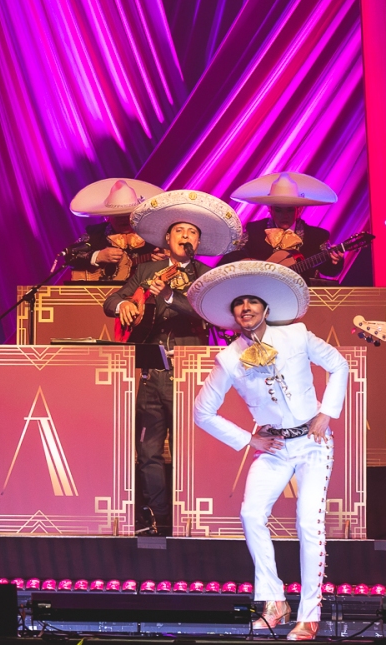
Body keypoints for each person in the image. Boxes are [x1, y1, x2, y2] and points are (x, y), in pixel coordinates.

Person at [189, 260, 348, 642]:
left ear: (266, 308)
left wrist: (327, 413)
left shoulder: (296, 334)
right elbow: (201, 412)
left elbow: (338, 364)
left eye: (252, 302)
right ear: (232, 314)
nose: (245, 308)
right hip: (273, 447)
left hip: (311, 443)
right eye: (238, 304)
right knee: (250, 514)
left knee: (308, 522)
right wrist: (249, 439)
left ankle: (309, 613)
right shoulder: (229, 357)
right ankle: (274, 601)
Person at [104, 189, 241, 536]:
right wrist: (124, 305)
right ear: (167, 239)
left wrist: (168, 295)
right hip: (151, 373)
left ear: (198, 242)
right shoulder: (147, 269)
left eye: (192, 232)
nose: (185, 236)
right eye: (179, 230)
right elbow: (110, 301)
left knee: (184, 448)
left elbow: (208, 313)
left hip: (187, 373)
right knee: (147, 449)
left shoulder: (205, 275)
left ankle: (186, 516)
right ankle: (158, 516)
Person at [221, 172, 344, 282]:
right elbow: (228, 261)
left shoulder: (317, 236)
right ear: (270, 209)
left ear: (299, 209)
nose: (284, 216)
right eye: (278, 210)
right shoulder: (254, 230)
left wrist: (335, 261)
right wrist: (257, 269)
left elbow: (329, 271)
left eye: (290, 210)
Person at [63, 178, 164, 283]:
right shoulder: (96, 234)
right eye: (118, 216)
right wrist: (97, 256)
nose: (124, 219)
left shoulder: (152, 236)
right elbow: (69, 256)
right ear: (108, 217)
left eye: (128, 214)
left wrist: (162, 263)